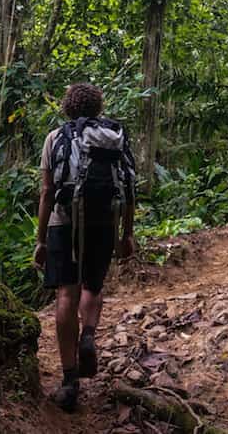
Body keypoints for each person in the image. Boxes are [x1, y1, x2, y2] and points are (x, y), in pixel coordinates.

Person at [32, 82, 136, 412]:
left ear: (68, 106)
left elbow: (47, 192)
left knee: (66, 292)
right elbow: (130, 186)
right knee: (93, 285)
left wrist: (40, 239)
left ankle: (69, 379)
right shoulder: (114, 136)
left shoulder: (55, 138)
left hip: (64, 222)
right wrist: (127, 234)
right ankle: (88, 333)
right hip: (104, 221)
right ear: (97, 106)